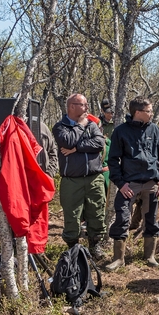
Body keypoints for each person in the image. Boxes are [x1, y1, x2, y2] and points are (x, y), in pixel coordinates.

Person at [105, 96, 159, 270]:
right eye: (149, 111)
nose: (151, 113)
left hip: (151, 183)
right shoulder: (121, 131)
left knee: (151, 220)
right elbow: (113, 160)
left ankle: (150, 256)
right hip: (129, 184)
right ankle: (118, 259)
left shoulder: (155, 130)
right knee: (122, 218)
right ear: (138, 112)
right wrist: (121, 183)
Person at [52, 94, 107, 252]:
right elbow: (67, 141)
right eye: (83, 105)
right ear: (72, 106)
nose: (87, 108)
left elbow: (99, 143)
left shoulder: (92, 125)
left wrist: (76, 148)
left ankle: (95, 245)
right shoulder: (60, 127)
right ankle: (73, 248)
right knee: (72, 214)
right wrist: (80, 125)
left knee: (96, 212)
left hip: (94, 178)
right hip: (71, 180)